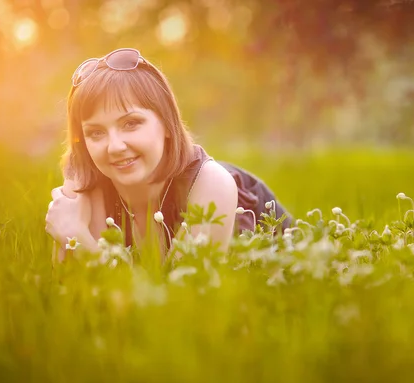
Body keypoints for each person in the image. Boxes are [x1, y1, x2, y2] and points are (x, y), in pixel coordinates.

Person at [45, 48, 293, 260]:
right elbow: (72, 296)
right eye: (96, 133)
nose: (115, 146)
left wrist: (78, 239)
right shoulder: (84, 186)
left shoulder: (210, 184)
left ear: (165, 123)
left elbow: (181, 304)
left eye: (131, 123)